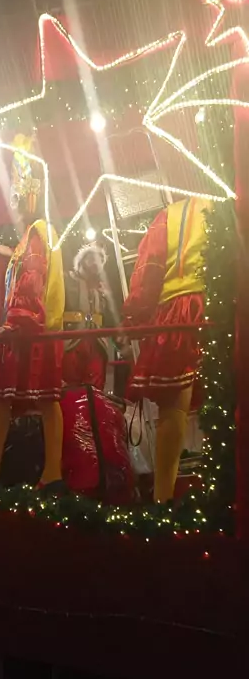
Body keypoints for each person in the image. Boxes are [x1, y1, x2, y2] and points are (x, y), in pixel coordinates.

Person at [0, 133, 66, 492]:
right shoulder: (33, 234)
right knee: (42, 401)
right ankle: (46, 473)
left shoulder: (38, 232)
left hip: (29, 331)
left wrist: (15, 321)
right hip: (32, 329)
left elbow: (32, 279)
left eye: (18, 193)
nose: (14, 201)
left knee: (10, 399)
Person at [122, 196, 212, 503]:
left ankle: (163, 500)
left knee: (173, 409)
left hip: (180, 309)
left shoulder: (171, 214)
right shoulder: (227, 206)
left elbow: (150, 267)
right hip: (223, 307)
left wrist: (135, 316)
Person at [62, 243, 109, 390]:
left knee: (95, 387)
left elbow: (108, 317)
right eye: (92, 258)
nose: (96, 262)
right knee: (70, 385)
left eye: (100, 260)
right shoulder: (65, 279)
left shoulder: (101, 288)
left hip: (97, 342)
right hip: (71, 340)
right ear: (82, 260)